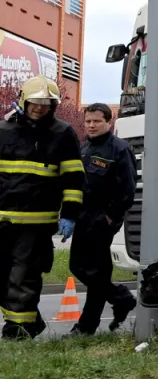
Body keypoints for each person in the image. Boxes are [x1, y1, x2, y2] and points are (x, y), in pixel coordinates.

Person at [0, 76, 84, 339]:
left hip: (35, 223)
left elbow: (74, 178)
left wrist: (69, 215)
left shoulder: (63, 133)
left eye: (46, 104)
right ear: (23, 100)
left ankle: (19, 330)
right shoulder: (3, 130)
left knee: (23, 277)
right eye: (36, 103)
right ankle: (30, 321)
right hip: (2, 219)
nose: (40, 108)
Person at [68, 103, 138, 335]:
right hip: (83, 216)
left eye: (97, 121)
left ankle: (86, 327)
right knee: (79, 267)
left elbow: (127, 189)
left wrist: (111, 217)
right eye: (88, 121)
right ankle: (121, 298)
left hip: (102, 218)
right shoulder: (84, 148)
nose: (91, 125)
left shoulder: (119, 149)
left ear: (109, 121)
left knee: (94, 271)